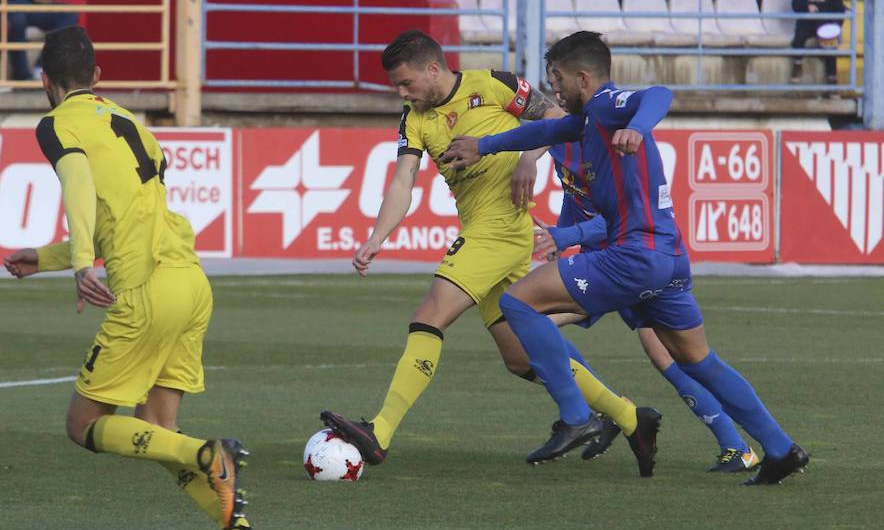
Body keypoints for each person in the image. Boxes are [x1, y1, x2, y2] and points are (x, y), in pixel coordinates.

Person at [443, 30, 809, 486]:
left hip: (633, 255)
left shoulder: (607, 104)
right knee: (697, 360)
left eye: (556, 79)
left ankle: (577, 414)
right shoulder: (586, 119)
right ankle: (778, 448)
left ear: (582, 77)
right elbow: (544, 128)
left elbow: (659, 93)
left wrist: (637, 126)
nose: (552, 89)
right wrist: (485, 145)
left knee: (518, 304)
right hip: (669, 257)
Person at [321, 29, 662, 475]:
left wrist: (529, 157)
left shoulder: (495, 84)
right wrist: (376, 237)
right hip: (488, 231)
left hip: (499, 231)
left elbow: (559, 116)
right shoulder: (415, 118)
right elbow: (403, 181)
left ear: (433, 68)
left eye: (406, 83)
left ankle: (380, 432)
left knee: (430, 316)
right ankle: (631, 418)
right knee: (521, 358)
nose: (402, 93)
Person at [2, 26, 266, 530]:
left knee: (83, 426)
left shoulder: (56, 125)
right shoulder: (130, 123)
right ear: (98, 77)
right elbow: (128, 215)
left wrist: (78, 265)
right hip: (190, 283)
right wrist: (48, 257)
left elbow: (77, 185)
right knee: (157, 427)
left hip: (146, 290)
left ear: (45, 81)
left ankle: (208, 454)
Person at [537, 137, 759, 473]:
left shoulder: (605, 147)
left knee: (532, 322)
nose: (556, 89)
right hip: (604, 262)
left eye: (558, 82)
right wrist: (561, 235)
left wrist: (569, 235)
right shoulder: (565, 141)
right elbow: (575, 199)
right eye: (551, 82)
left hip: (629, 262)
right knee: (665, 356)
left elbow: (622, 215)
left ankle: (601, 413)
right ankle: (733, 445)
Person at [790, 0, 845, 84]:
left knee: (831, 46)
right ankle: (797, 64)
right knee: (799, 37)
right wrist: (806, 7)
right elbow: (795, 5)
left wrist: (836, 25)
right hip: (807, 23)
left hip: (825, 23)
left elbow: (840, 9)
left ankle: (832, 78)